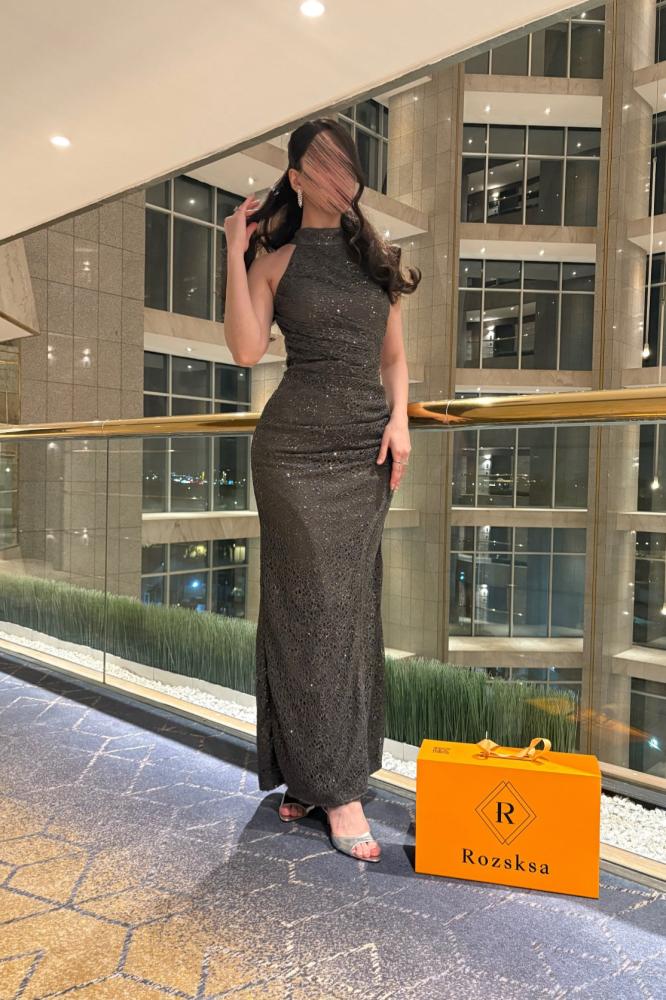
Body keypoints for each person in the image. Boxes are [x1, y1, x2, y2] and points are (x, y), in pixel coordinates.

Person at [223, 118, 421, 862]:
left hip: (363, 455)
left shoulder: (379, 259)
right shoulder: (274, 261)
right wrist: (233, 250)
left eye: (348, 166)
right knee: (303, 612)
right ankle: (333, 791)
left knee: (345, 612)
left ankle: (320, 775)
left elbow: (394, 360)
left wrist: (400, 420)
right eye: (323, 166)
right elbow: (246, 350)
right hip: (292, 453)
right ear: (297, 177)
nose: (339, 180)